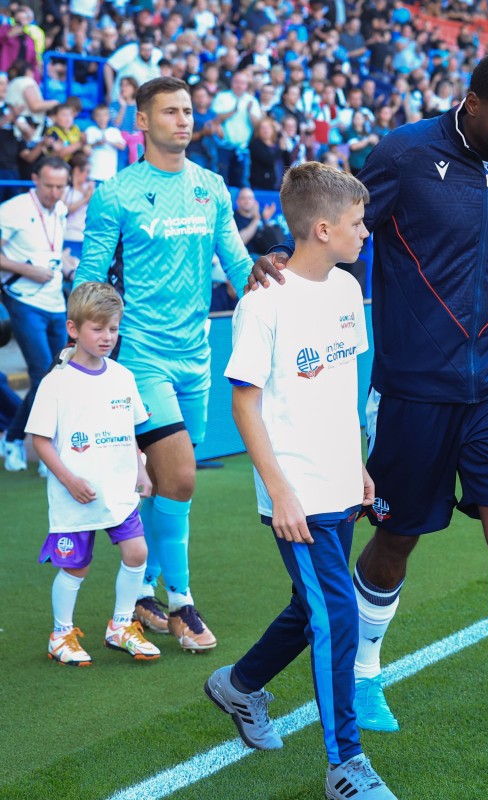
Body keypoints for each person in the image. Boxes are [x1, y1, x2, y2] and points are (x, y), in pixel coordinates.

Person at [252, 49, 488, 763]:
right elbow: (333, 223)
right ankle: (362, 676)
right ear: (473, 104)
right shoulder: (403, 155)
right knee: (396, 540)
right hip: (416, 389)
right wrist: (275, 253)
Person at [205, 162, 397, 800]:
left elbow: (342, 390)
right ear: (322, 228)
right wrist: (279, 489)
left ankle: (238, 686)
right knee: (337, 614)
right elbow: (244, 404)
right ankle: (345, 762)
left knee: (312, 604)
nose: (365, 232)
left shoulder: (346, 291)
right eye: (356, 223)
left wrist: (361, 464)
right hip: (295, 493)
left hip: (342, 480)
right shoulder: (264, 301)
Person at [75, 77, 254, 652]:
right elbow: (91, 277)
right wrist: (83, 342)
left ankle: (144, 594)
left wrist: (285, 276)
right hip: (142, 357)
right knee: (179, 475)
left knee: (163, 487)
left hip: (196, 357)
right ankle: (181, 601)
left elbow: (240, 265)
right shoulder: (117, 193)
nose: (183, 120)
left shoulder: (212, 187)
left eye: (188, 111)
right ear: (142, 121)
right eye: (170, 112)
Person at [26, 281, 161, 665]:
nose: (107, 338)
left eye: (113, 329)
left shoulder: (123, 377)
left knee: (137, 552)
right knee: (76, 565)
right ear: (73, 329)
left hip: (118, 489)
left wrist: (141, 468)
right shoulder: (56, 383)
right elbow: (40, 441)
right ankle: (61, 634)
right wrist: (69, 480)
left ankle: (120, 626)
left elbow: (130, 429)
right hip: (76, 494)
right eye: (97, 329)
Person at [0, 156, 72, 473]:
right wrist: (26, 270)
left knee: (61, 375)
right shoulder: (14, 209)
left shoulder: (61, 208)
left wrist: (65, 263)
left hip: (57, 301)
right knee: (44, 375)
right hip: (23, 299)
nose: (55, 193)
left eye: (61, 186)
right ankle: (18, 440)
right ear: (34, 179)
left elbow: (51, 250)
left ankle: (34, 443)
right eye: (49, 186)